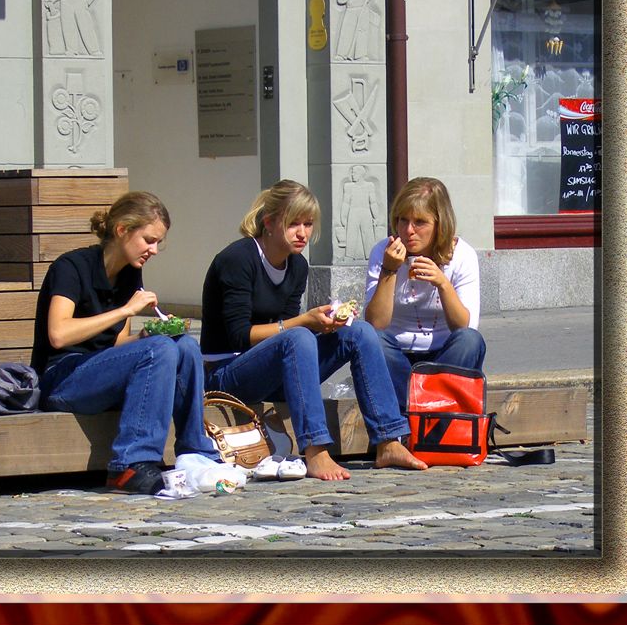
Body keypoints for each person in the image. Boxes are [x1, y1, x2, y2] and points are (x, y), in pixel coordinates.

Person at [199, 180, 427, 480]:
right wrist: (305, 322)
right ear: (269, 223)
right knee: (300, 336)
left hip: (273, 367)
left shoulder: (297, 267)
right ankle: (316, 449)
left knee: (359, 332)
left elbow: (290, 334)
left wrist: (326, 325)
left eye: (308, 224)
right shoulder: (238, 259)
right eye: (294, 224)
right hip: (227, 372)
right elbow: (240, 335)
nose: (303, 233)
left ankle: (388, 440)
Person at [30, 191, 221, 495]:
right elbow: (59, 334)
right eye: (148, 240)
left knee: (182, 345)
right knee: (160, 349)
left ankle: (195, 453)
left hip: (100, 373)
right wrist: (126, 310)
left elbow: (118, 344)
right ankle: (131, 464)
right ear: (122, 230)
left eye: (158, 242)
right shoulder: (71, 267)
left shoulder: (130, 274)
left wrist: (149, 335)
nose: (154, 250)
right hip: (61, 379)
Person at [364, 177, 486, 401]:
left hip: (443, 355)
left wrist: (443, 284)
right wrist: (389, 271)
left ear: (440, 224)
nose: (408, 230)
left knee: (471, 341)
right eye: (402, 220)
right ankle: (426, 412)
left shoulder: (462, 255)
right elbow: (375, 324)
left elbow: (465, 326)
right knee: (372, 341)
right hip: (396, 352)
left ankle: (422, 411)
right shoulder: (383, 251)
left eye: (419, 222)